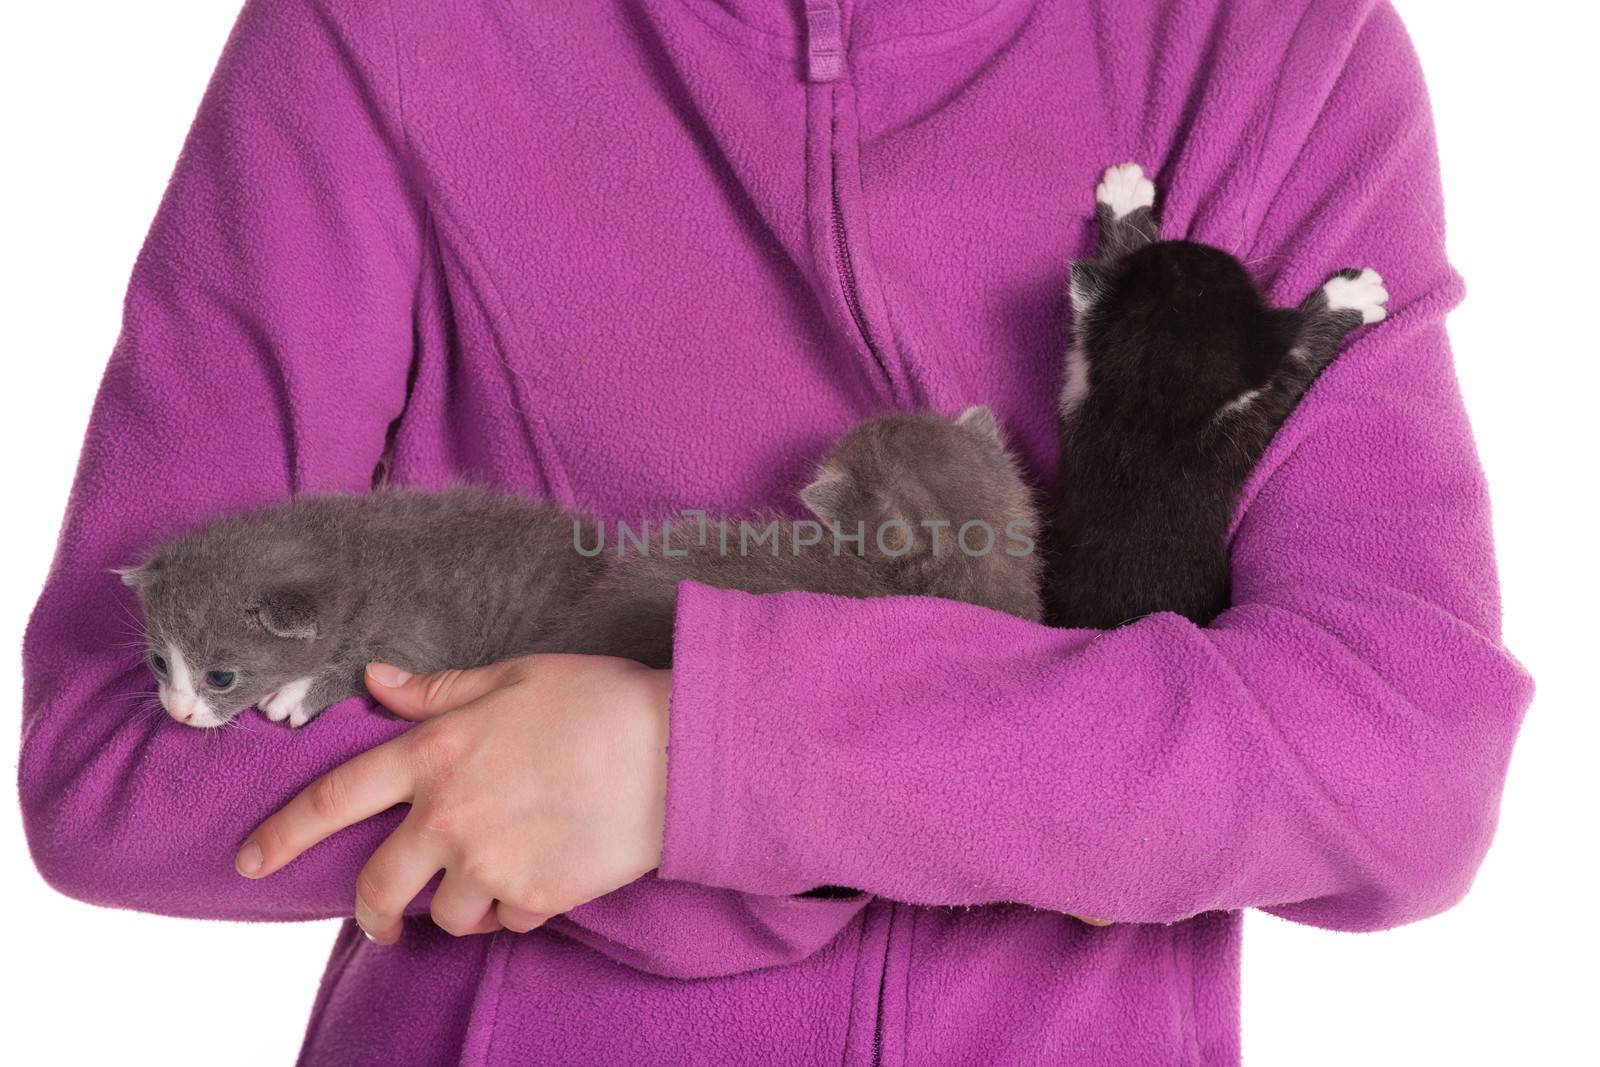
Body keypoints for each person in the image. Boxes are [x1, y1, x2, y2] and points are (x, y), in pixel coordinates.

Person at [20, 0, 1531, 1063]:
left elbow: (1400, 757)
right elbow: (112, 758)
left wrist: (704, 764)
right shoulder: (382, 31)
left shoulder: (1269, 45)